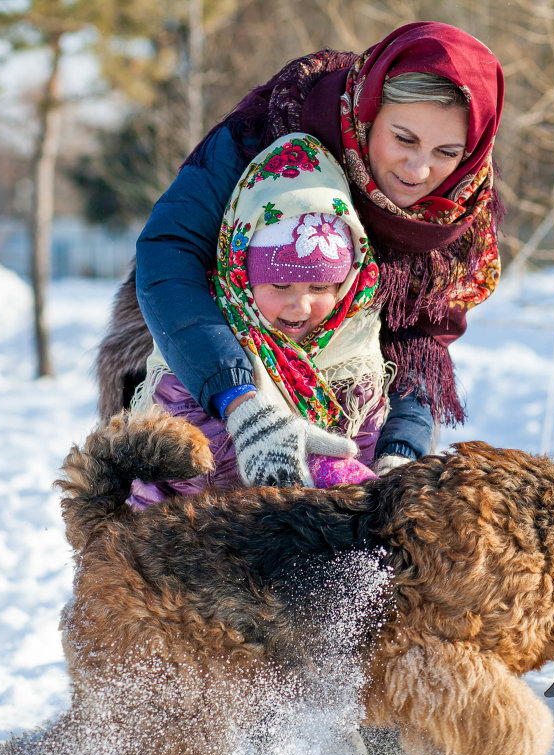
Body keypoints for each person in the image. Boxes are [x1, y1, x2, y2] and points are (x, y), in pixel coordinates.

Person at [97, 21, 505, 487]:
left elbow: (422, 339)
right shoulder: (274, 125)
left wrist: (400, 452)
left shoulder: (460, 212)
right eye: (404, 139)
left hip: (351, 400)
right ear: (370, 114)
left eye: (447, 152)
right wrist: (240, 402)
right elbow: (172, 249)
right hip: (196, 353)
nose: (419, 170)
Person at [128, 134, 387, 505]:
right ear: (241, 275)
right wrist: (327, 471)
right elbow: (197, 468)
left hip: (304, 540)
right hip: (185, 541)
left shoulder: (353, 347)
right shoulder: (207, 353)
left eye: (320, 286)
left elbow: (364, 442)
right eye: (280, 284)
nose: (300, 305)